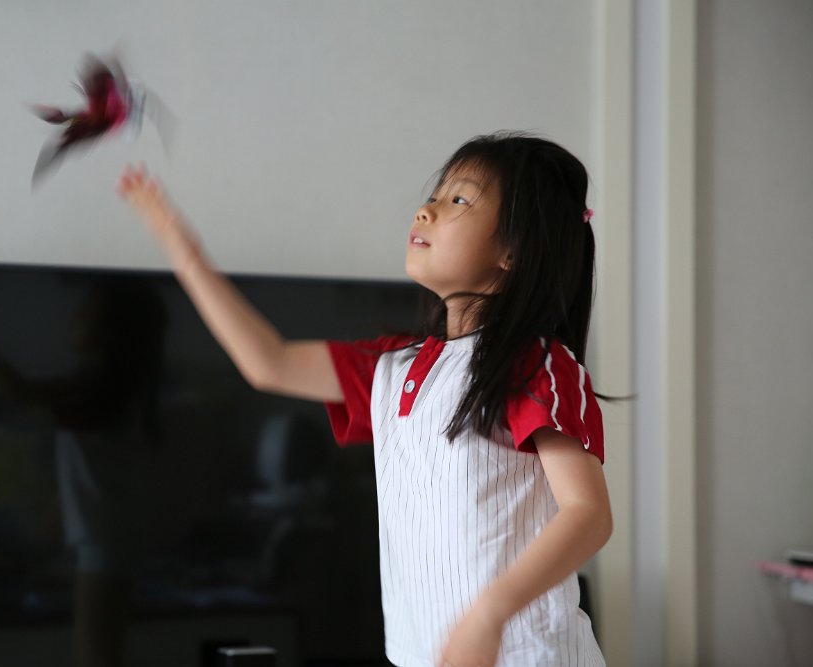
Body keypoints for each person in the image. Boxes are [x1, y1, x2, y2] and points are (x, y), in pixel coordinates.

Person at [117, 132, 612, 667]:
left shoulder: (536, 365)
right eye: (434, 196)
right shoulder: (393, 366)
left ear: (513, 251)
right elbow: (268, 362)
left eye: (458, 199)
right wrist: (183, 250)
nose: (426, 210)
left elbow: (588, 514)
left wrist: (490, 613)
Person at [0, 276, 165, 667]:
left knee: (96, 656)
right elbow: (89, 471)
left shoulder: (100, 389)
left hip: (106, 541)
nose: (73, 318)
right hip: (107, 536)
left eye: (85, 312)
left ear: (110, 331)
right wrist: (45, 536)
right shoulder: (112, 389)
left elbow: (19, 390)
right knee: (94, 652)